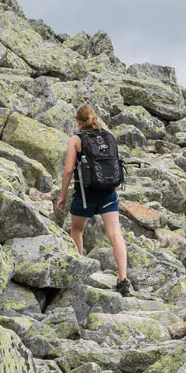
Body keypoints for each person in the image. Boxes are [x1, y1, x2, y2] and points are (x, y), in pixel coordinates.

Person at [55, 104, 132, 296]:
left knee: (77, 229)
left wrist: (62, 196)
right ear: (94, 118)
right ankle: (123, 280)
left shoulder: (76, 139)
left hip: (85, 194)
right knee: (115, 235)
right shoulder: (108, 136)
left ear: (78, 121)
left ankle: (79, 273)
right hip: (108, 193)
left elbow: (67, 171)